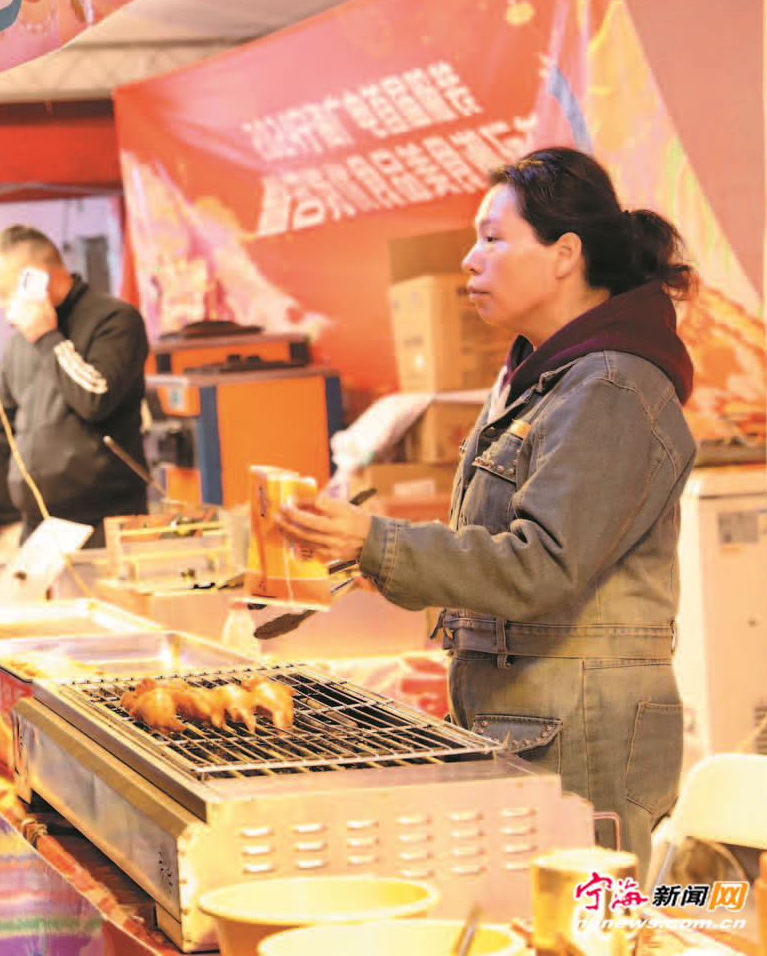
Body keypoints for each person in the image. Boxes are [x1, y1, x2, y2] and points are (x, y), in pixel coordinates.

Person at [276, 146, 695, 876]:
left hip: (581, 732)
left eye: (493, 238)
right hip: (530, 716)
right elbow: (495, 547)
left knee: (591, 920)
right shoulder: (543, 378)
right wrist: (378, 557)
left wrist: (381, 542)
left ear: (565, 254)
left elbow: (540, 566)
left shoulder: (611, 387)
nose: (470, 260)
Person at [0, 225, 150, 549]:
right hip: (38, 525)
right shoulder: (20, 344)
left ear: (37, 280)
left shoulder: (115, 320)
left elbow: (95, 397)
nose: (2, 306)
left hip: (104, 523)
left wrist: (48, 338)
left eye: (5, 293)